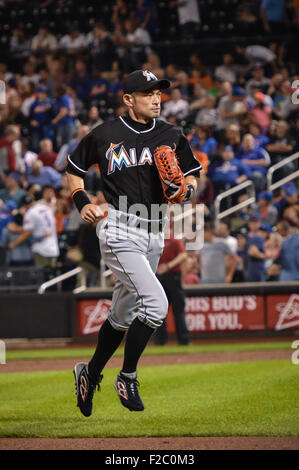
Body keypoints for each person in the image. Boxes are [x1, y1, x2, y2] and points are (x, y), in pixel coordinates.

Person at [66, 69, 200, 416]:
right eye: (148, 93)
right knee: (156, 305)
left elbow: (192, 173)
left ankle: (90, 372)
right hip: (120, 230)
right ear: (129, 99)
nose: (156, 98)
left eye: (159, 92)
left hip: (156, 231)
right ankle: (127, 376)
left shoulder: (171, 134)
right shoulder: (104, 134)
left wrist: (188, 188)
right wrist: (83, 203)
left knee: (123, 314)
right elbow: (73, 169)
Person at [154, 216, 189, 346]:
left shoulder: (156, 240)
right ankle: (183, 340)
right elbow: (183, 255)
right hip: (172, 276)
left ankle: (160, 341)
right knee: (177, 310)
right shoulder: (173, 240)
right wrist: (168, 266)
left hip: (162, 277)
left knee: (160, 311)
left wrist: (164, 266)